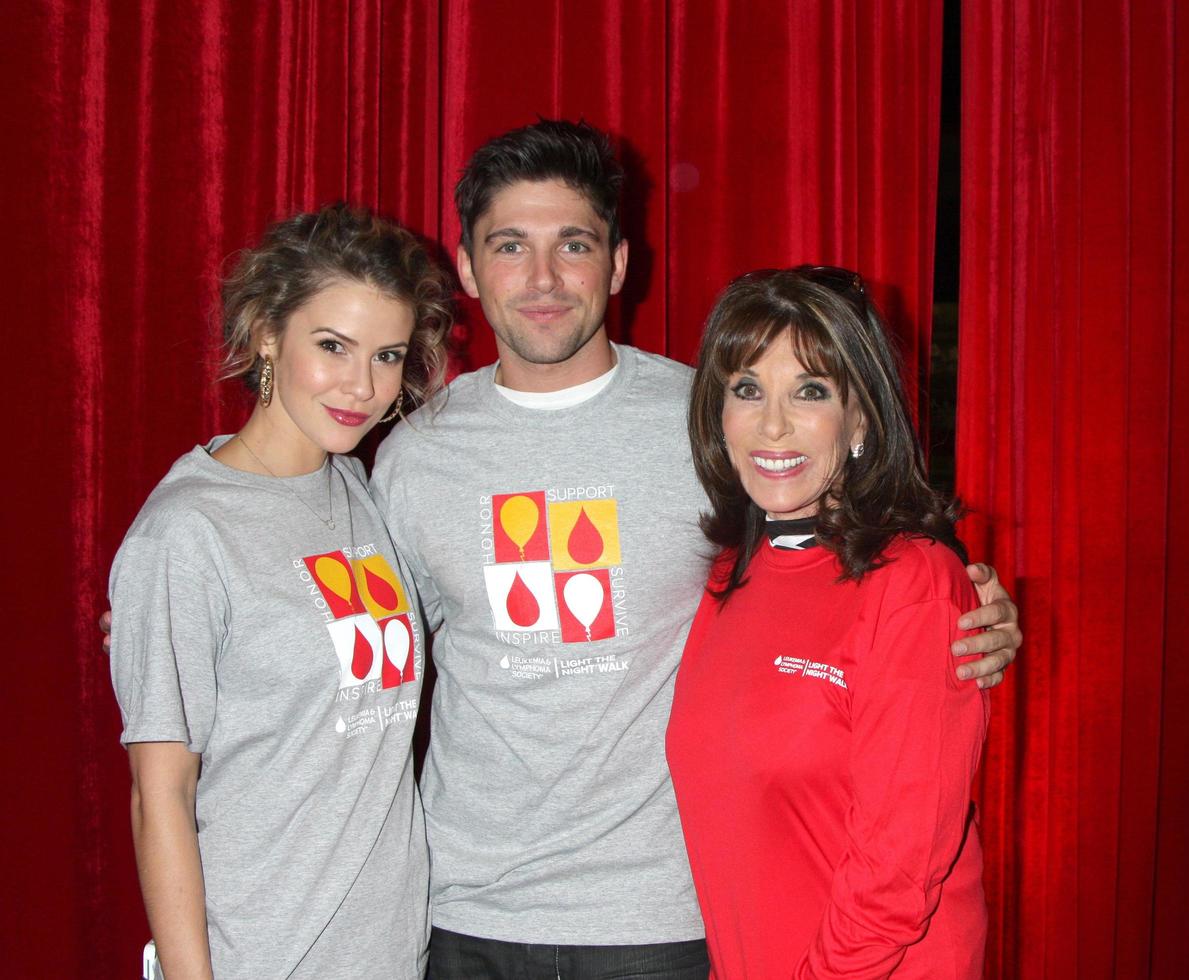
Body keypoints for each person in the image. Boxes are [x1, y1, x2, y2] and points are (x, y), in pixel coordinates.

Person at [370, 119, 1019, 978]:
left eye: (573, 244)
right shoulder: (412, 456)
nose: (542, 279)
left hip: (668, 916)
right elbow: (356, 643)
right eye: (508, 246)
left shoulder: (711, 424)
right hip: (467, 907)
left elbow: (851, 557)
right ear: (464, 268)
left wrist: (971, 618)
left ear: (619, 264)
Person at [106, 203, 453, 978]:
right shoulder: (186, 533)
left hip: (393, 954)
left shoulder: (359, 491)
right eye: (333, 346)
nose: (361, 386)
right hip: (260, 956)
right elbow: (157, 796)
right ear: (267, 332)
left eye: (388, 355)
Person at [667, 265, 988, 977]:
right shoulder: (731, 574)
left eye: (810, 392)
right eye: (747, 389)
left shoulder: (914, 583)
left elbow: (897, 873)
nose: (772, 423)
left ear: (862, 419)